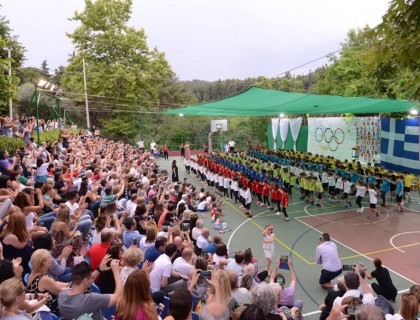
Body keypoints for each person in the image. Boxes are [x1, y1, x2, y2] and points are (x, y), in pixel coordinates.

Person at [58, 255, 122, 320]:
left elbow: (85, 281)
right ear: (85, 281)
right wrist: (116, 272)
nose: (91, 279)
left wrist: (99, 269)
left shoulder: (62, 295)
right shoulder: (90, 300)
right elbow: (118, 297)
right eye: (90, 277)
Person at [27, 249, 68, 315]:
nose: (51, 259)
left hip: (46, 305)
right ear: (43, 262)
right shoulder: (43, 279)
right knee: (83, 305)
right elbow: (60, 292)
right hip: (53, 308)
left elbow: (54, 283)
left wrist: (68, 285)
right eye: (49, 258)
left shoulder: (35, 273)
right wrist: (75, 288)